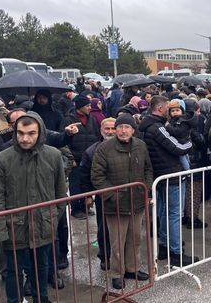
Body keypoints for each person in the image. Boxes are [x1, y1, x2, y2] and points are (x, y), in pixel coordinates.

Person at [0, 112, 67, 303]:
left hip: (43, 224)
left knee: (41, 267)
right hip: (13, 227)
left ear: (40, 132)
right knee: (14, 271)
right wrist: (0, 230)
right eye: (20, 133)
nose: (25, 138)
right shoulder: (3, 159)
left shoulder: (53, 155)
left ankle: (41, 298)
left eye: (31, 133)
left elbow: (60, 193)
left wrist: (52, 217)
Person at [91, 114, 153, 290]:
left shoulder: (141, 146)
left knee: (135, 238)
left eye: (127, 127)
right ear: (116, 129)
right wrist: (113, 195)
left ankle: (132, 269)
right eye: (120, 127)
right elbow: (97, 176)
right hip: (115, 204)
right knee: (117, 241)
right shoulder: (104, 148)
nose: (123, 131)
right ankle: (117, 273)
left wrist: (145, 188)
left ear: (133, 130)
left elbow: (148, 169)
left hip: (137, 201)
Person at [138, 95, 196, 266]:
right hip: (171, 175)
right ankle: (176, 252)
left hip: (161, 175)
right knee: (174, 215)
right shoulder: (157, 127)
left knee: (165, 213)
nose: (169, 111)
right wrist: (189, 142)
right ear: (160, 108)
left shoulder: (148, 125)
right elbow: (178, 147)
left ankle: (164, 246)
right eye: (167, 107)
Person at [79, 117, 116, 272]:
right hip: (103, 195)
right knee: (104, 227)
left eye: (113, 128)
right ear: (101, 130)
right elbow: (84, 175)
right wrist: (88, 196)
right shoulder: (91, 150)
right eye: (106, 129)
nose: (110, 132)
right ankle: (105, 256)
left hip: (125, 194)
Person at [62, 95, 101, 219]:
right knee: (75, 184)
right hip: (75, 158)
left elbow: (96, 135)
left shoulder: (92, 119)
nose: (90, 108)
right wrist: (70, 158)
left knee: (87, 182)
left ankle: (86, 206)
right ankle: (76, 209)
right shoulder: (69, 119)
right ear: (80, 106)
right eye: (87, 105)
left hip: (89, 157)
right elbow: (64, 140)